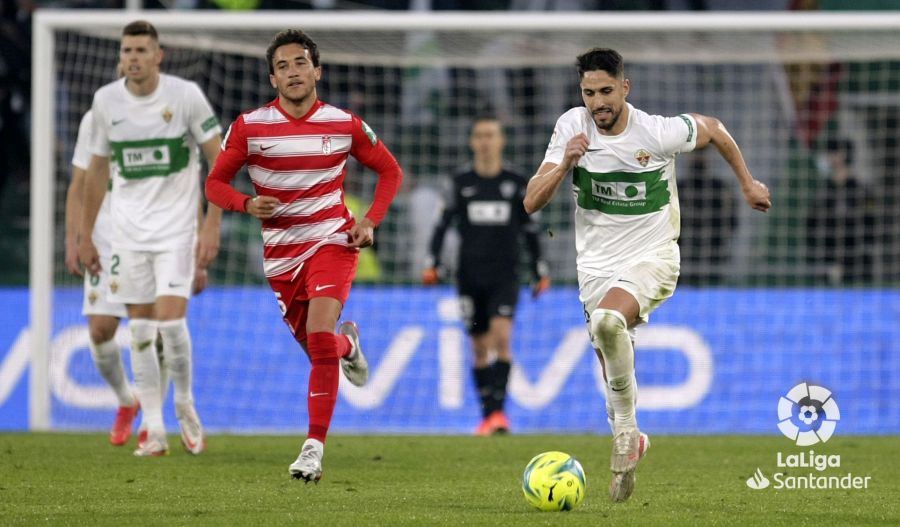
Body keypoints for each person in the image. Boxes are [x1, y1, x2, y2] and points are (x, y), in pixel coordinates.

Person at [523, 48, 770, 503]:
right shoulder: (570, 128)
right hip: (595, 267)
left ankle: (626, 433)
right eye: (589, 93)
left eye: (606, 92)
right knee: (609, 352)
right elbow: (531, 202)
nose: (598, 102)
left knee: (606, 323)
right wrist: (564, 164)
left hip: (654, 256)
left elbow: (714, 129)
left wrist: (747, 182)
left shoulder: (656, 132)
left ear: (625, 88)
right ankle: (629, 433)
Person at [205, 29, 403, 482]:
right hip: (280, 256)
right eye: (283, 66)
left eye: (300, 63)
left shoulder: (343, 123)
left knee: (317, 334)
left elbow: (390, 171)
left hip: (333, 241)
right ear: (272, 78)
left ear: (317, 70)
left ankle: (312, 450)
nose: (293, 72)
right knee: (320, 351)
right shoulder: (250, 127)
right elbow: (214, 184)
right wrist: (246, 204)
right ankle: (348, 345)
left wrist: (369, 219)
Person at [78, 20, 224, 457]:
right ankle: (155, 429)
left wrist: (211, 224)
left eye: (141, 50)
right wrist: (86, 235)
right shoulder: (106, 101)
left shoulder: (185, 96)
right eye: (126, 51)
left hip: (177, 231)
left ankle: (184, 402)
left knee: (172, 326)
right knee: (139, 329)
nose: (133, 58)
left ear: (158, 55)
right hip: (125, 235)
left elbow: (220, 161)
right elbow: (97, 171)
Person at [422, 115, 549, 436]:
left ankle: (499, 415)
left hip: (505, 275)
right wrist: (432, 262)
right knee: (479, 348)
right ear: (472, 141)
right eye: (479, 135)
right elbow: (441, 225)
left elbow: (532, 230)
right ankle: (489, 417)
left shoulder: (517, 181)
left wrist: (539, 269)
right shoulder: (459, 182)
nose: (485, 141)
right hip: (469, 276)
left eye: (491, 135)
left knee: (502, 338)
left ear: (501, 140)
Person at [806, 138, 874, 285]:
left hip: (857, 265)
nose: (828, 157)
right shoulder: (823, 192)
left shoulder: (861, 191)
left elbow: (870, 227)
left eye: (832, 152)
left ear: (842, 155)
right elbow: (811, 225)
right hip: (827, 262)